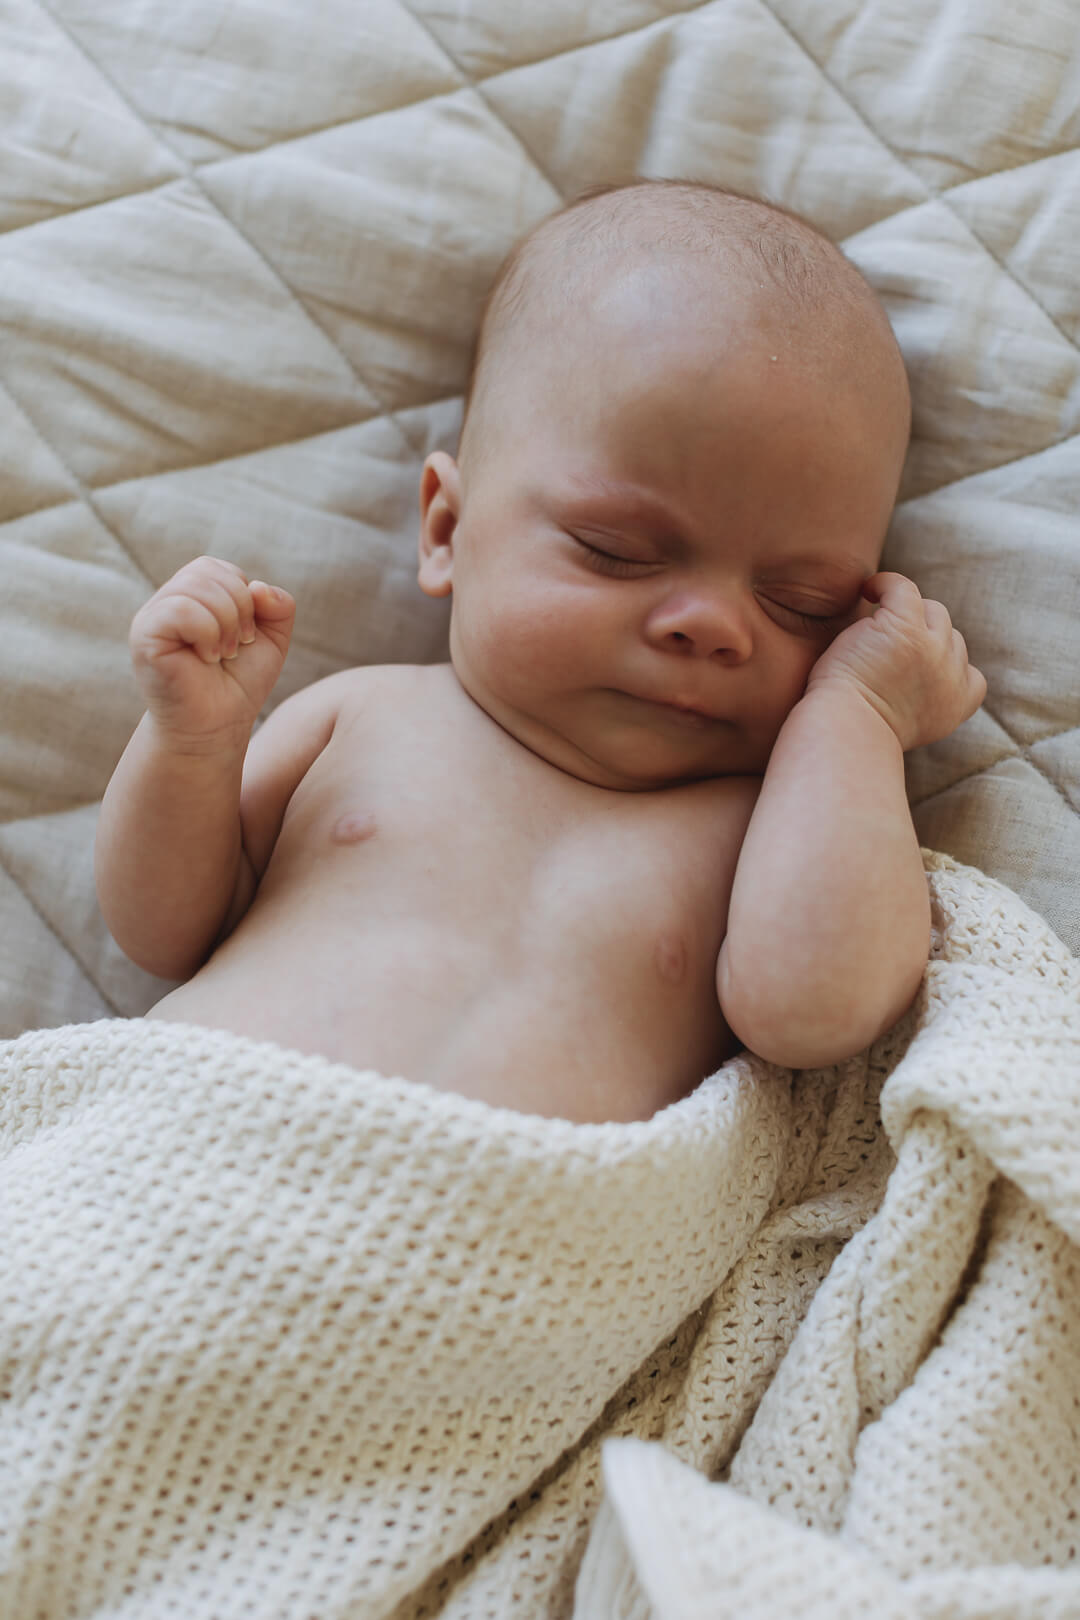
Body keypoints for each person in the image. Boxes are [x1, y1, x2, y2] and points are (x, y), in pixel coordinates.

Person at [94, 179, 986, 1124]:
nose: (715, 626)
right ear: (447, 527)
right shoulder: (361, 715)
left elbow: (818, 1011)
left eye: (801, 603)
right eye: (617, 552)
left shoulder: (768, 826)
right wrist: (190, 745)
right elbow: (163, 930)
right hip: (180, 1158)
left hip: (508, 1248)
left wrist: (862, 717)